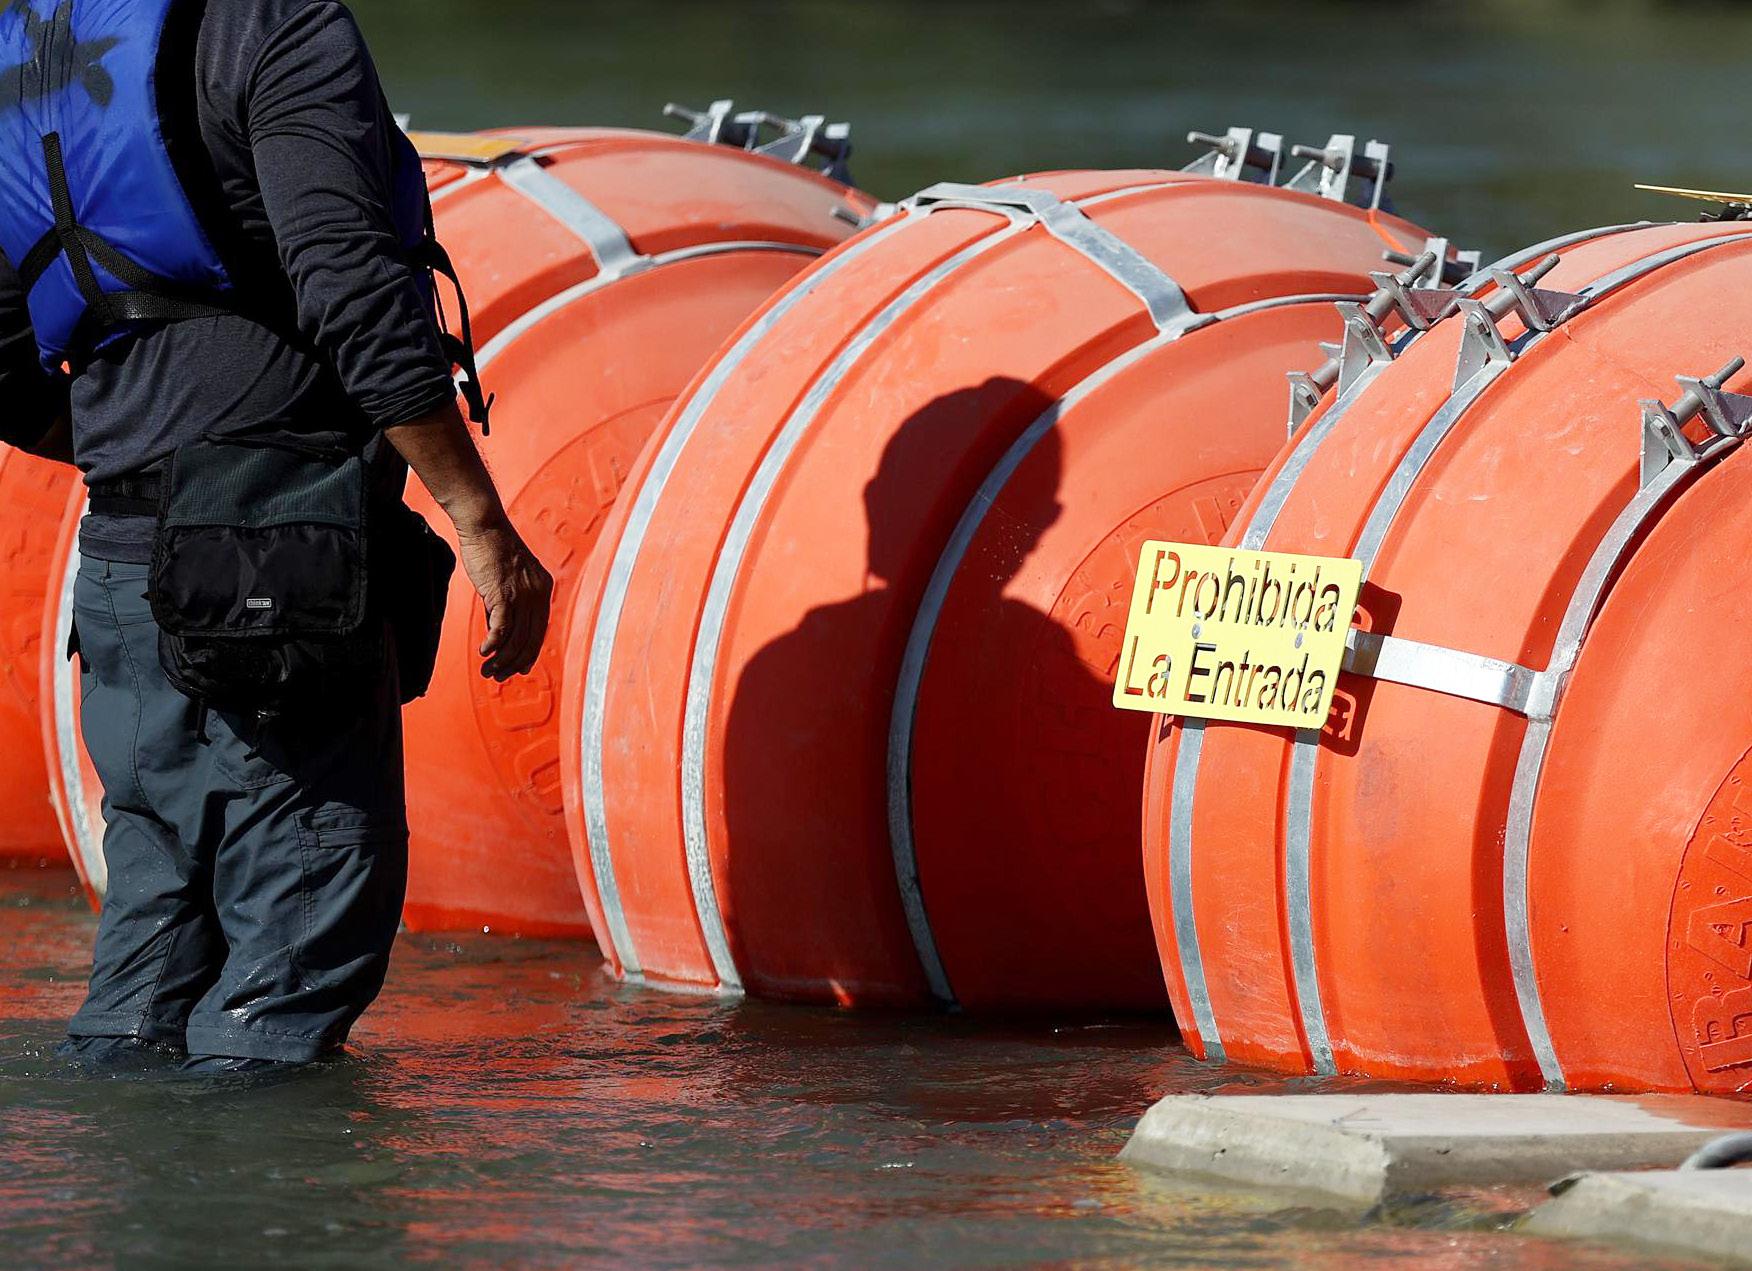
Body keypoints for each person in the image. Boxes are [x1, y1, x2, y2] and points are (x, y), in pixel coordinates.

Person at [0, 0, 553, 1073]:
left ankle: (119, 1171)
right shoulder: (273, 24)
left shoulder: (24, 45)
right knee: (296, 964)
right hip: (280, 570)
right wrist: (480, 519)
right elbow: (354, 290)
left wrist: (137, 454)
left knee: (146, 975)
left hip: (117, 571)